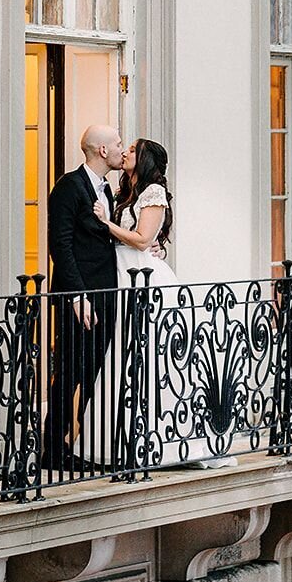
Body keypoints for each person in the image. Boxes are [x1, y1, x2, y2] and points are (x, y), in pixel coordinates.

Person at [90, 139, 236, 470]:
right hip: (121, 272)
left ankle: (161, 438)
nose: (124, 151)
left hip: (143, 276)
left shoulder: (153, 191)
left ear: (144, 159)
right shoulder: (125, 190)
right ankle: (121, 438)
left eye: (131, 148)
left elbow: (142, 239)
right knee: (120, 353)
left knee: (152, 355)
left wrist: (106, 223)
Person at [42, 124, 125, 472]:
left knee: (95, 373)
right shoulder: (68, 187)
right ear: (103, 151)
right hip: (80, 301)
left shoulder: (109, 190)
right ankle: (52, 447)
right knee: (71, 370)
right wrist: (78, 297)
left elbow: (106, 239)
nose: (123, 149)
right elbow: (60, 245)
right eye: (119, 143)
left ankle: (91, 443)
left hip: (106, 296)